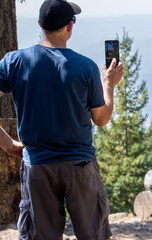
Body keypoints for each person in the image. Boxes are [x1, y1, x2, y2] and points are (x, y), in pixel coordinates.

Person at [0, 0, 124, 239]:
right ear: (70, 26)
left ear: (39, 24)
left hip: (37, 165)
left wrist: (8, 145)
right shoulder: (85, 67)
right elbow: (101, 119)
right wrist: (108, 85)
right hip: (80, 166)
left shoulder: (14, 62)